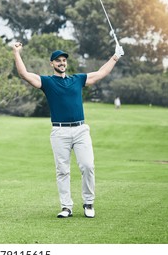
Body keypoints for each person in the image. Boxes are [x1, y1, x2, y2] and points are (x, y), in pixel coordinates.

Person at [13, 43, 124, 218]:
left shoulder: (77, 79)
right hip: (59, 132)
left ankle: (88, 203)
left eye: (64, 60)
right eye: (58, 60)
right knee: (62, 170)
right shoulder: (47, 82)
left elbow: (100, 73)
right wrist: (16, 52)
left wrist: (115, 57)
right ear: (52, 63)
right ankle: (66, 207)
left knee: (88, 166)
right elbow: (24, 74)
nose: (62, 63)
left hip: (80, 130)